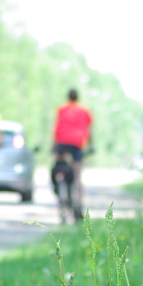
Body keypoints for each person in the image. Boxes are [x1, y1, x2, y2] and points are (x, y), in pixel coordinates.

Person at [52, 88, 92, 218]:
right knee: (77, 176)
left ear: (68, 97)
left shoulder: (61, 109)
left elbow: (56, 128)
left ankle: (59, 186)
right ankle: (78, 205)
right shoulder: (84, 110)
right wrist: (91, 146)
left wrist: (53, 146)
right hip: (76, 144)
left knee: (59, 166)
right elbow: (89, 130)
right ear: (78, 98)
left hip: (61, 143)